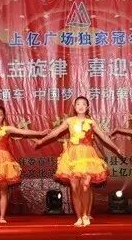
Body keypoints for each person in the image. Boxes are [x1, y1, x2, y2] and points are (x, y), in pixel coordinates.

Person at [36, 96, 123, 227]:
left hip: (88, 156)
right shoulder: (69, 121)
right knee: (75, 187)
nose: (81, 106)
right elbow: (55, 133)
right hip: (72, 156)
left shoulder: (91, 122)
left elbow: (103, 136)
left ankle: (85, 215)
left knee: (85, 185)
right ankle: (79, 217)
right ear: (74, 106)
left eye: (83, 104)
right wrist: (42, 141)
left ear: (87, 107)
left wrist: (116, 148)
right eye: (78, 104)